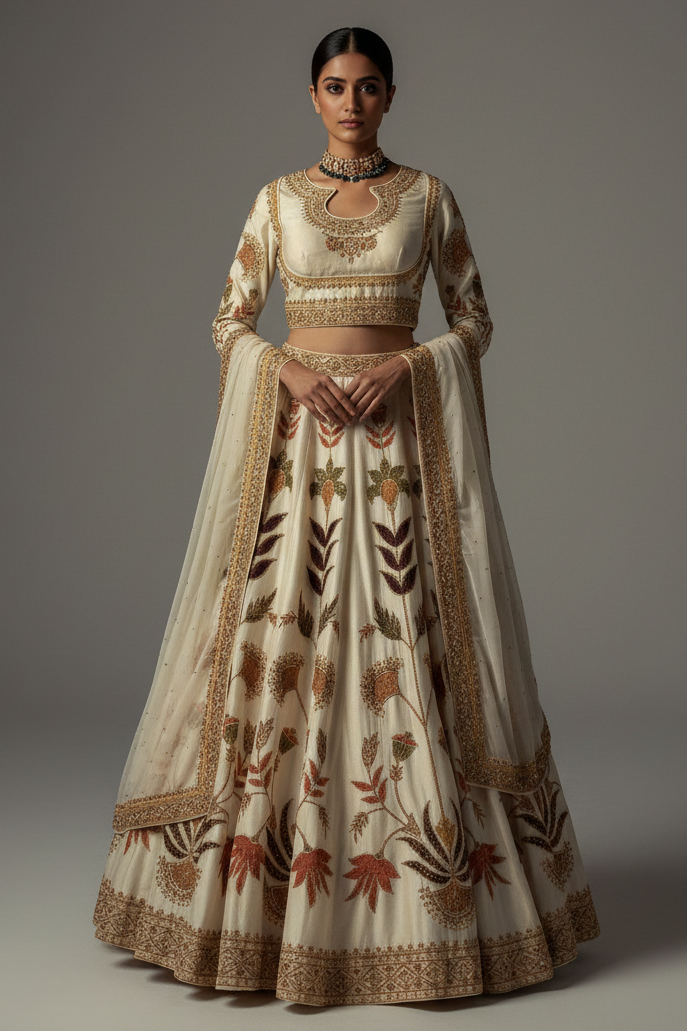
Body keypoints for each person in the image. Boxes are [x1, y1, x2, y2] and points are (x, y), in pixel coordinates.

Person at [93, 26, 600, 1007]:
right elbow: (229, 319)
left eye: (369, 87)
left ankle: (436, 904)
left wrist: (408, 367)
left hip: (398, 451)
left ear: (391, 96)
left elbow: (473, 319)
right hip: (301, 450)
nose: (352, 102)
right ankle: (257, 907)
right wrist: (284, 372)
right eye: (335, 86)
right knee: (283, 636)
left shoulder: (429, 197)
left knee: (406, 632)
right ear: (313, 96)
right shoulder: (276, 201)